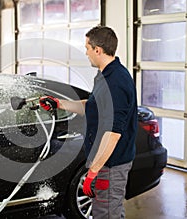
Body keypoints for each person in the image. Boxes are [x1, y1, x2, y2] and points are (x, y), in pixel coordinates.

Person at [39, 26, 137, 219]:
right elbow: (91, 106)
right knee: (108, 211)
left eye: (87, 48)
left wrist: (93, 171)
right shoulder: (105, 74)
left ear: (98, 50)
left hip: (111, 165)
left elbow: (113, 134)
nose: (86, 53)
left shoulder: (115, 82)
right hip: (103, 162)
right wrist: (60, 104)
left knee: (106, 214)